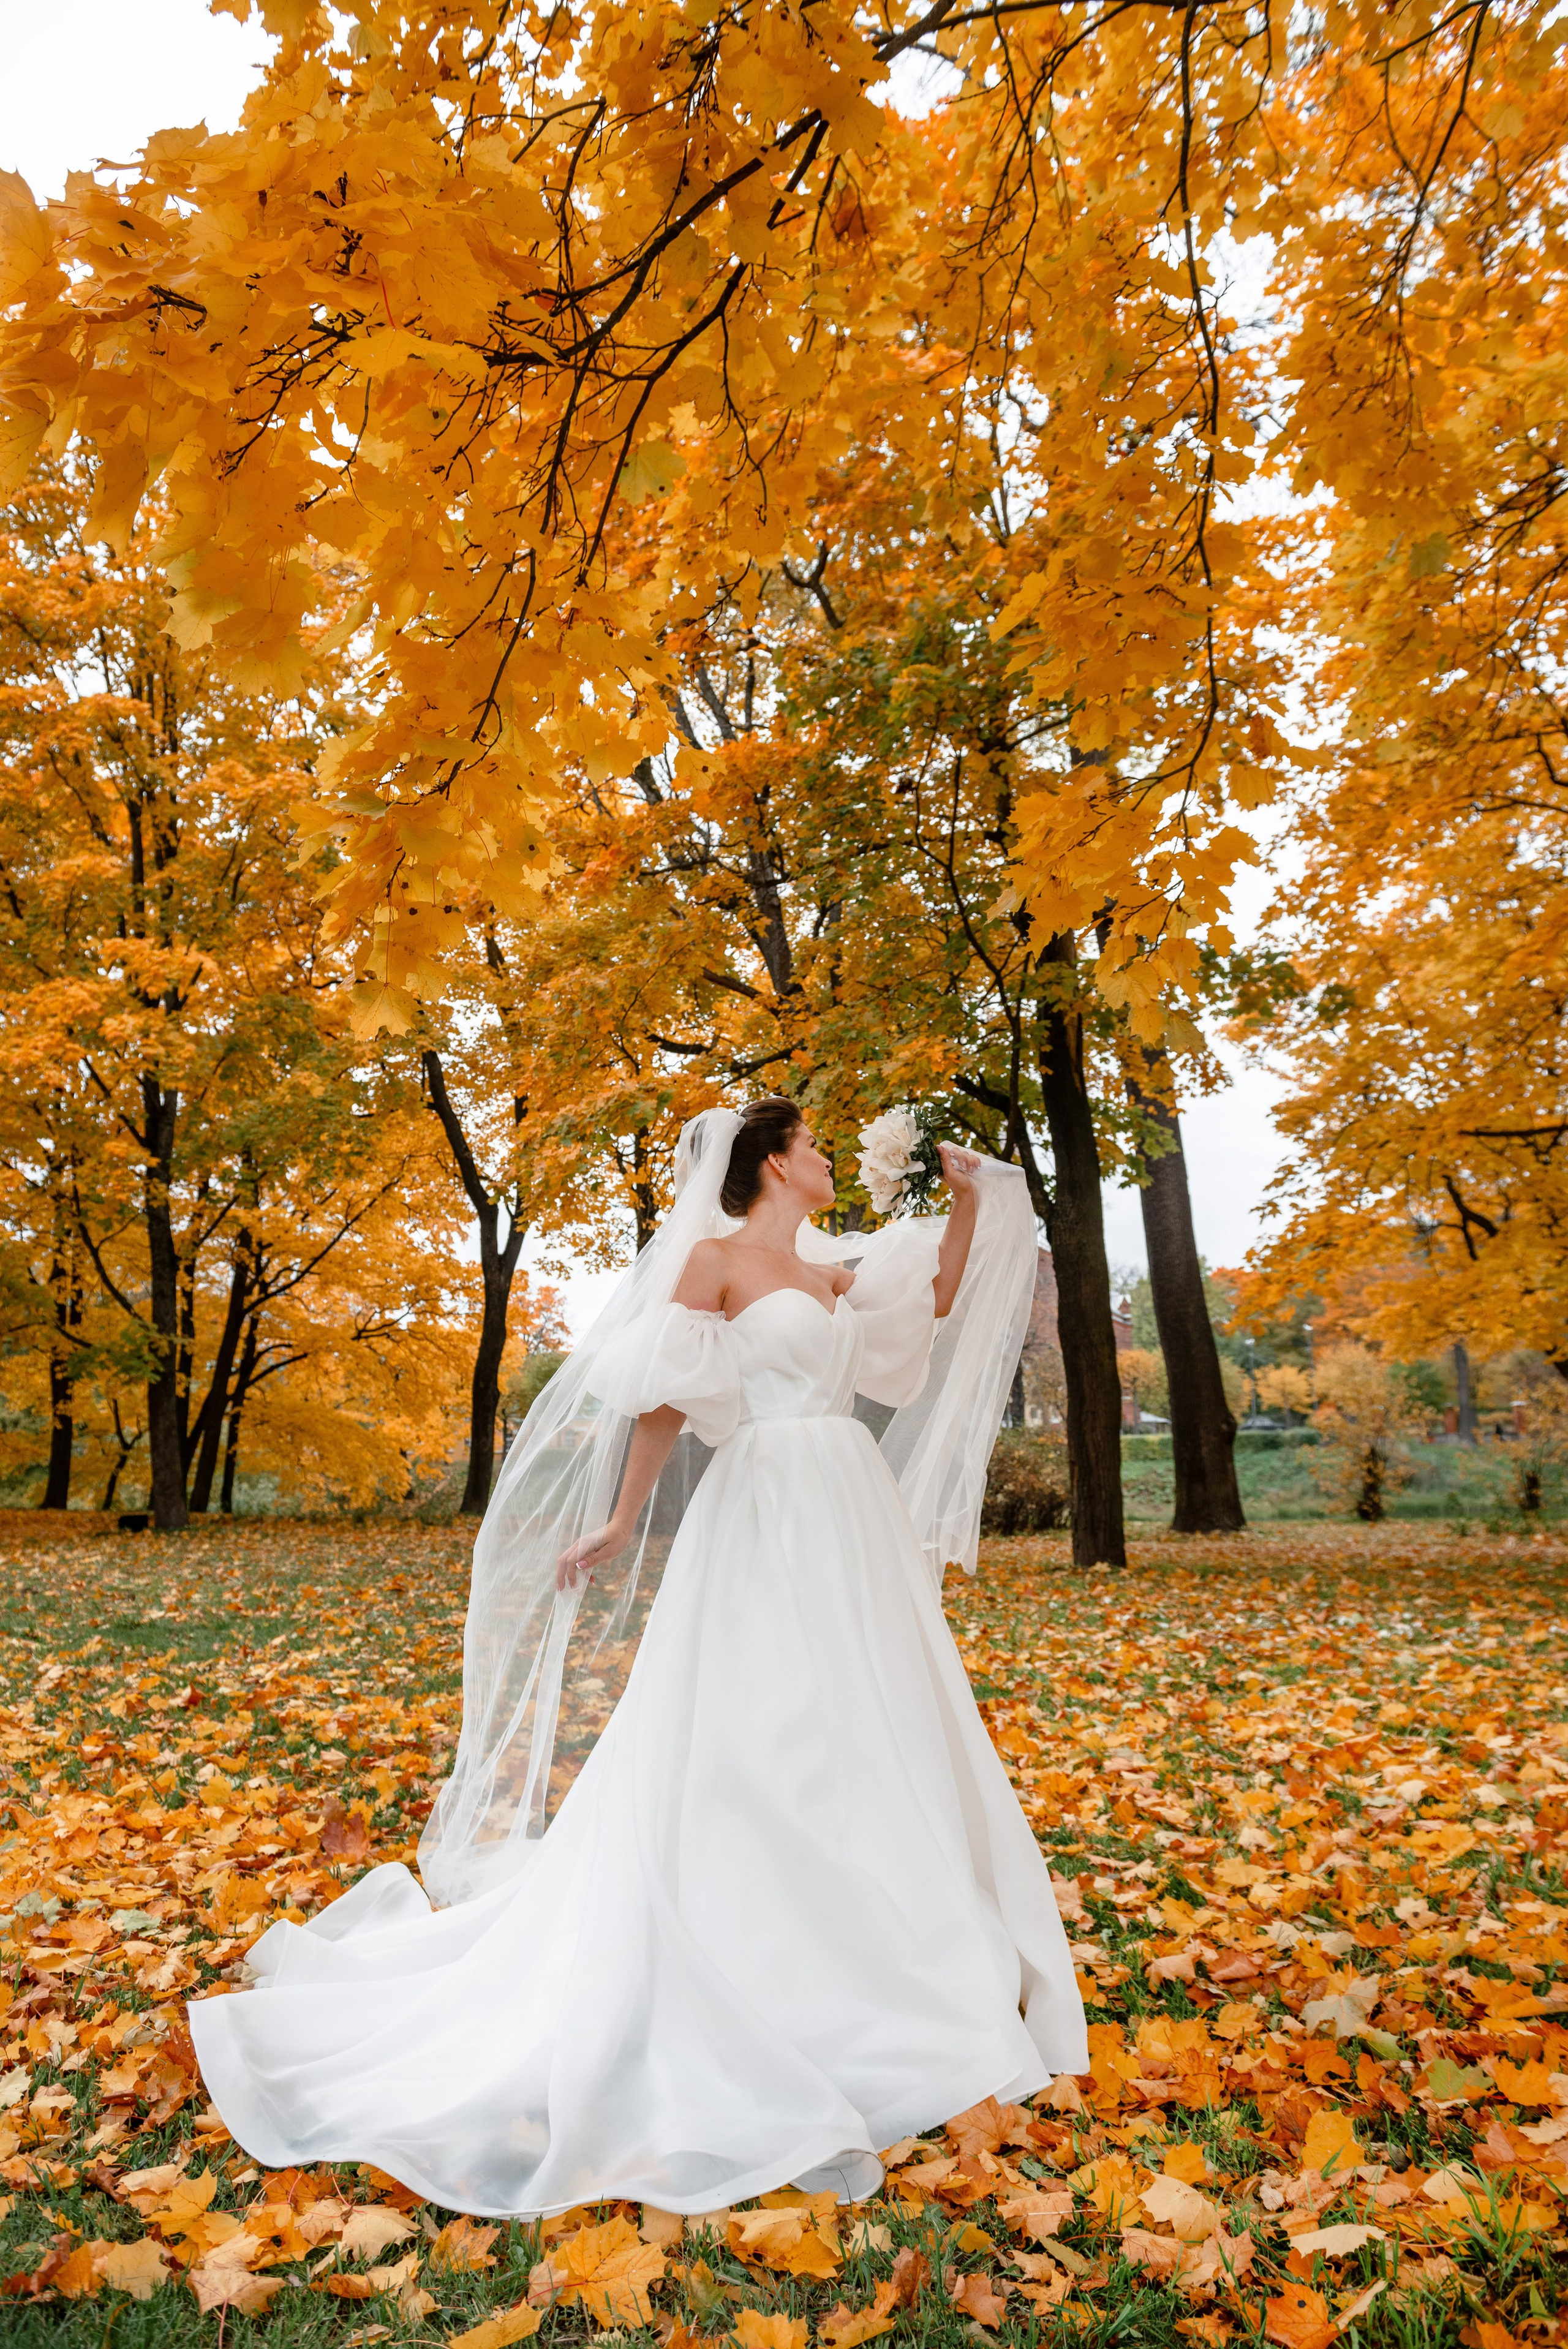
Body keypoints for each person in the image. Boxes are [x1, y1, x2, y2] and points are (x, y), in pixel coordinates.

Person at [187, 1099, 1087, 2218]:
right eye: (811, 1145)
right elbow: (664, 1395)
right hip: (765, 1504)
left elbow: (939, 1295)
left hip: (849, 1510)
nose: (826, 1158)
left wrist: (972, 1199)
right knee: (762, 1720)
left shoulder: (832, 1269)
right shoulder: (714, 1263)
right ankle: (755, 1933)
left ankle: (891, 1933)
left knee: (872, 1716)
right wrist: (621, 1519)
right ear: (773, 1164)